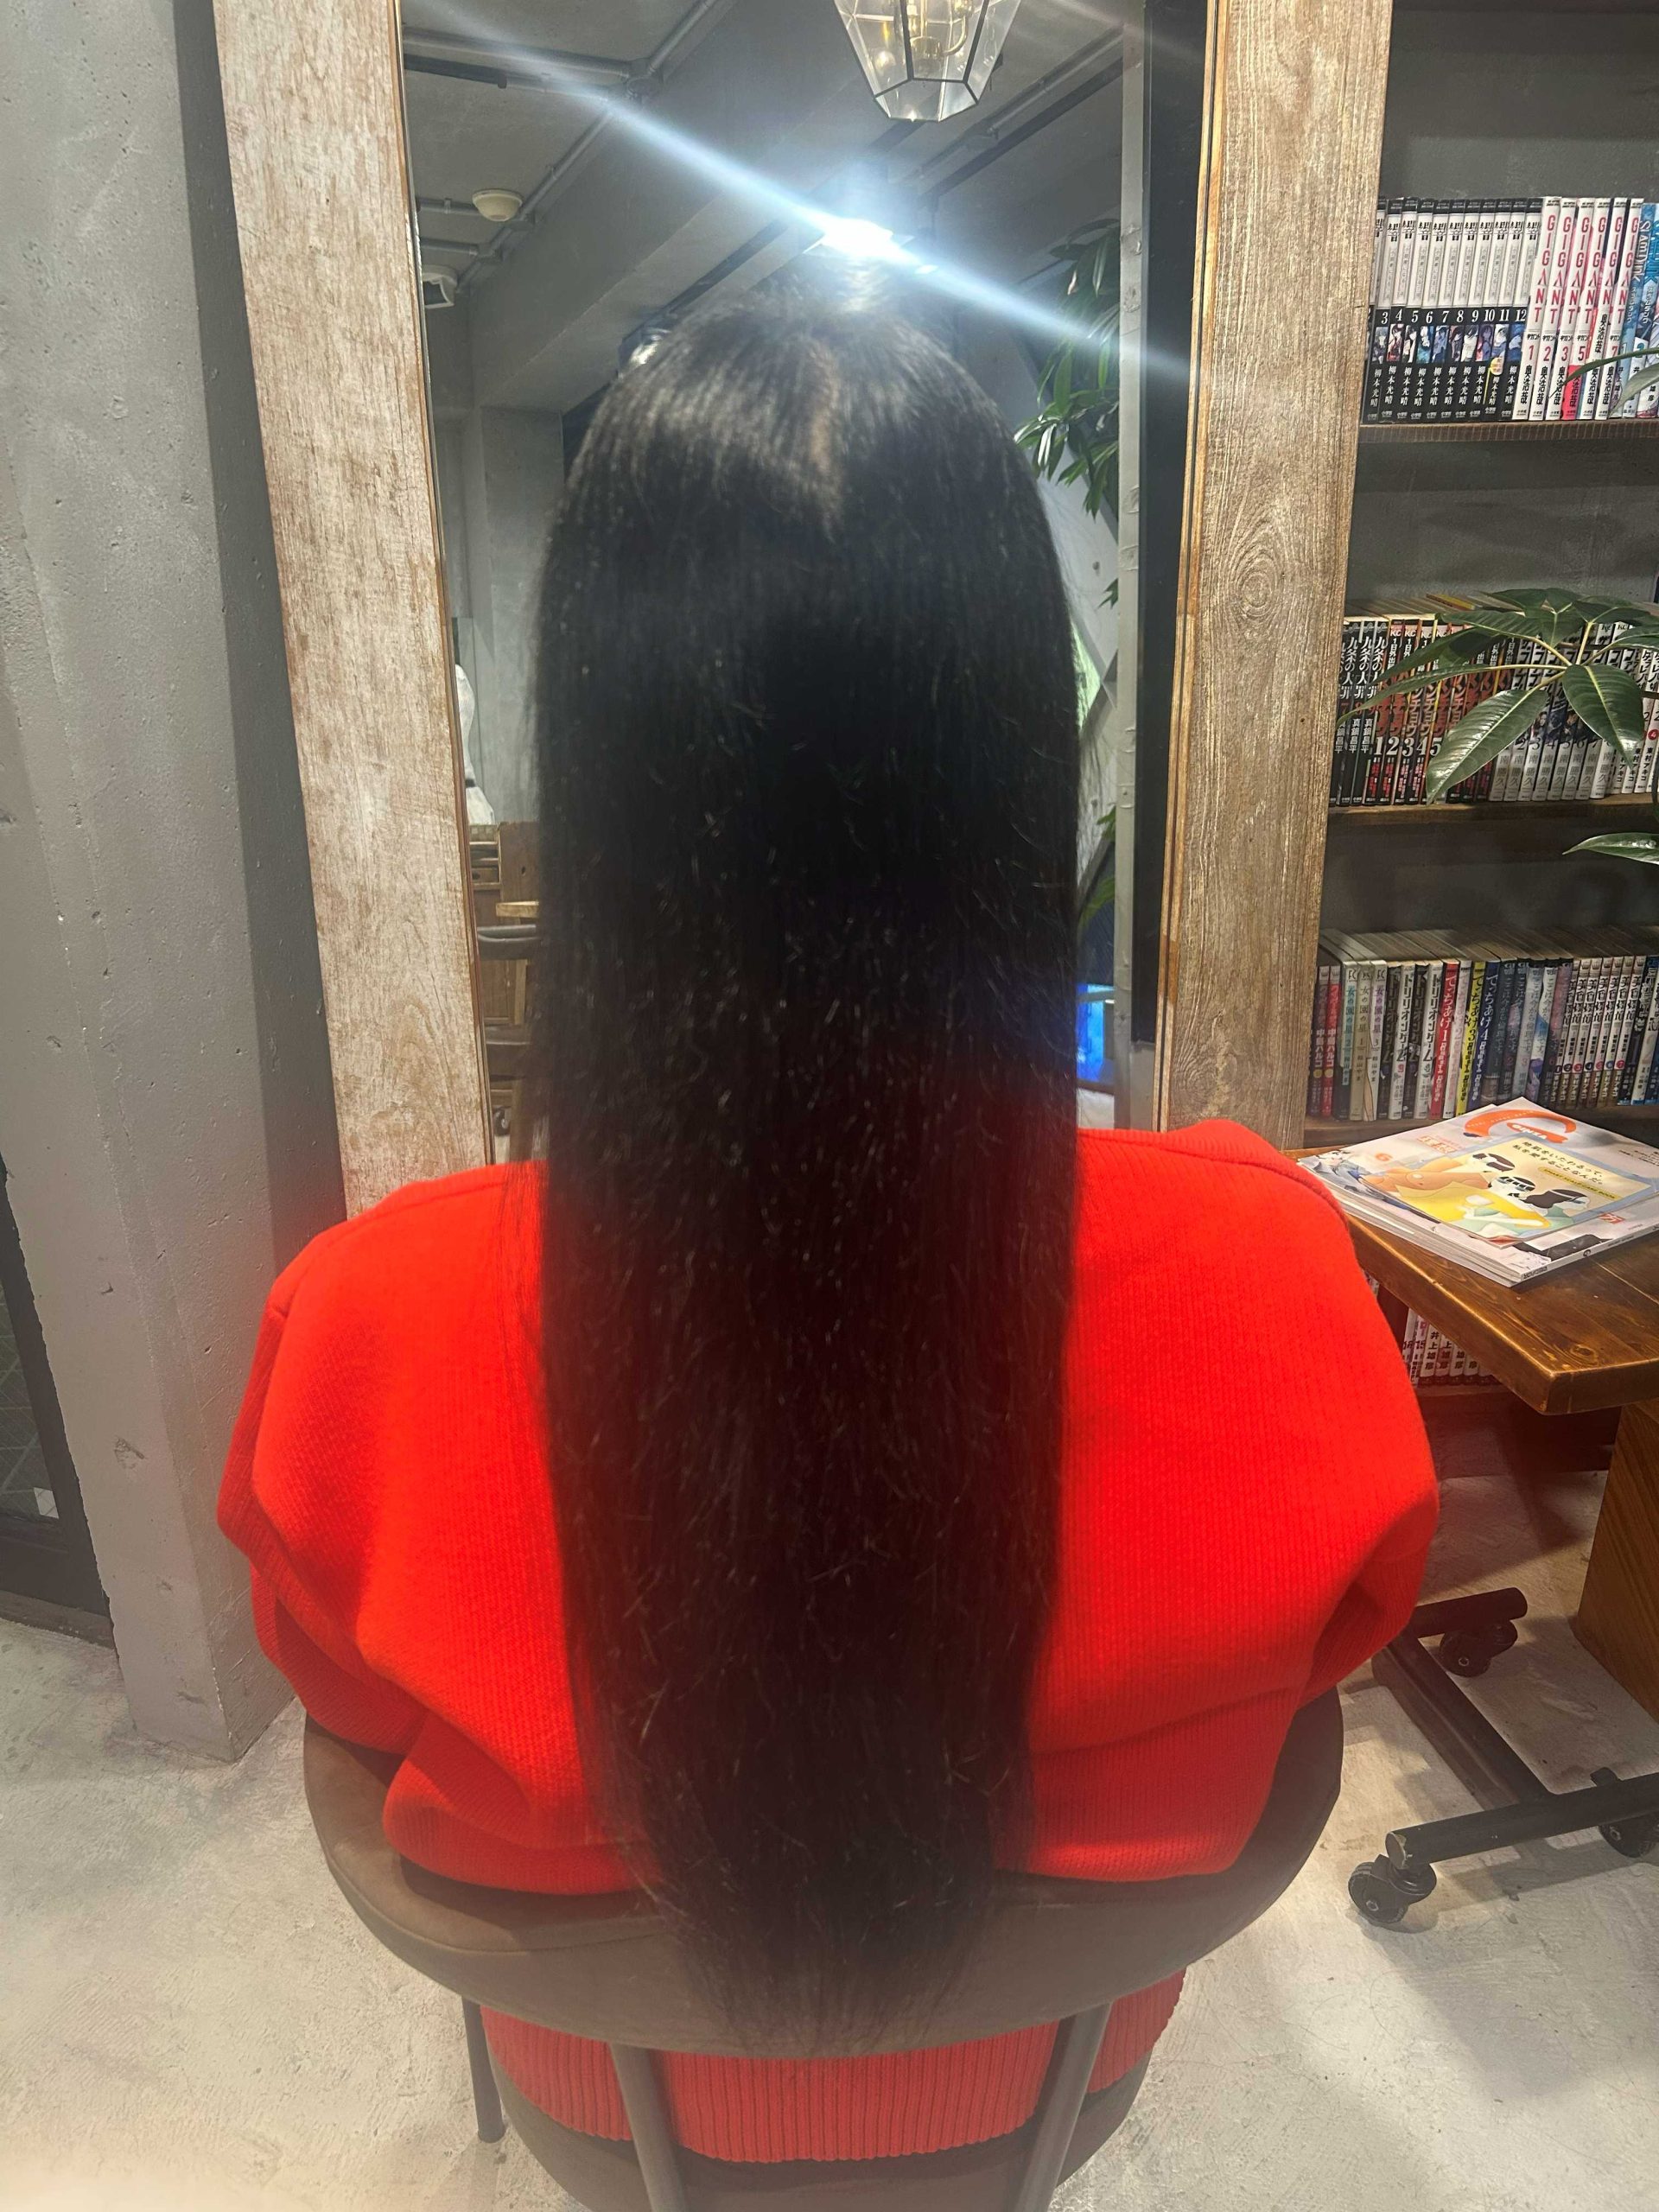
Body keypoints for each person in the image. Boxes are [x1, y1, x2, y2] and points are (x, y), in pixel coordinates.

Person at [220, 289, 1438, 2169]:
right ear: (1019, 767)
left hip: (611, 2104)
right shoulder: (1271, 1277)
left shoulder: (364, 1326)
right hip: (1048, 2083)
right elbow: (1330, 1653)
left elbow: (353, 1723)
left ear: (598, 793)